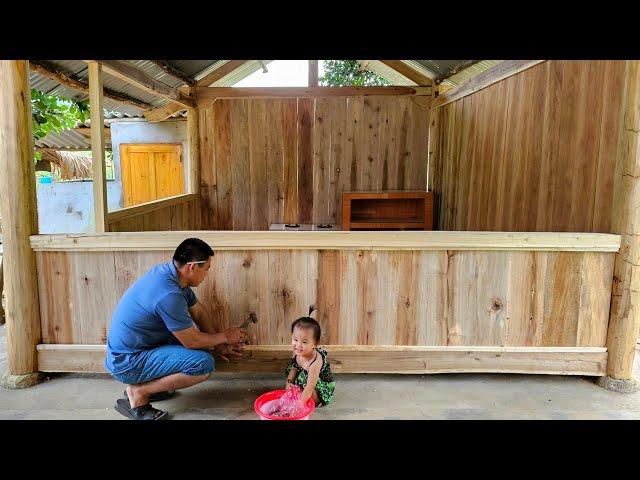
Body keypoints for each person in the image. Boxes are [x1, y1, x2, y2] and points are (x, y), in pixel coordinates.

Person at [104, 237, 247, 420]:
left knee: (198, 344)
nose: (206, 275)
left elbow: (199, 313)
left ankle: (148, 386)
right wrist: (225, 337)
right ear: (193, 267)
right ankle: (138, 393)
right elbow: (191, 341)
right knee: (203, 364)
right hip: (128, 362)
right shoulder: (169, 294)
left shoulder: (171, 275)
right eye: (206, 269)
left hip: (135, 350)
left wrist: (218, 344)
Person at [284, 307, 335, 407]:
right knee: (293, 378)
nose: (298, 345)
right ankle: (300, 391)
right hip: (305, 375)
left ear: (315, 344)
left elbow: (310, 386)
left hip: (318, 384)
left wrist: (298, 406)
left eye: (304, 342)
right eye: (295, 339)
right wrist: (288, 383)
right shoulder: (297, 352)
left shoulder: (315, 362)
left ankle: (317, 401)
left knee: (308, 391)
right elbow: (294, 369)